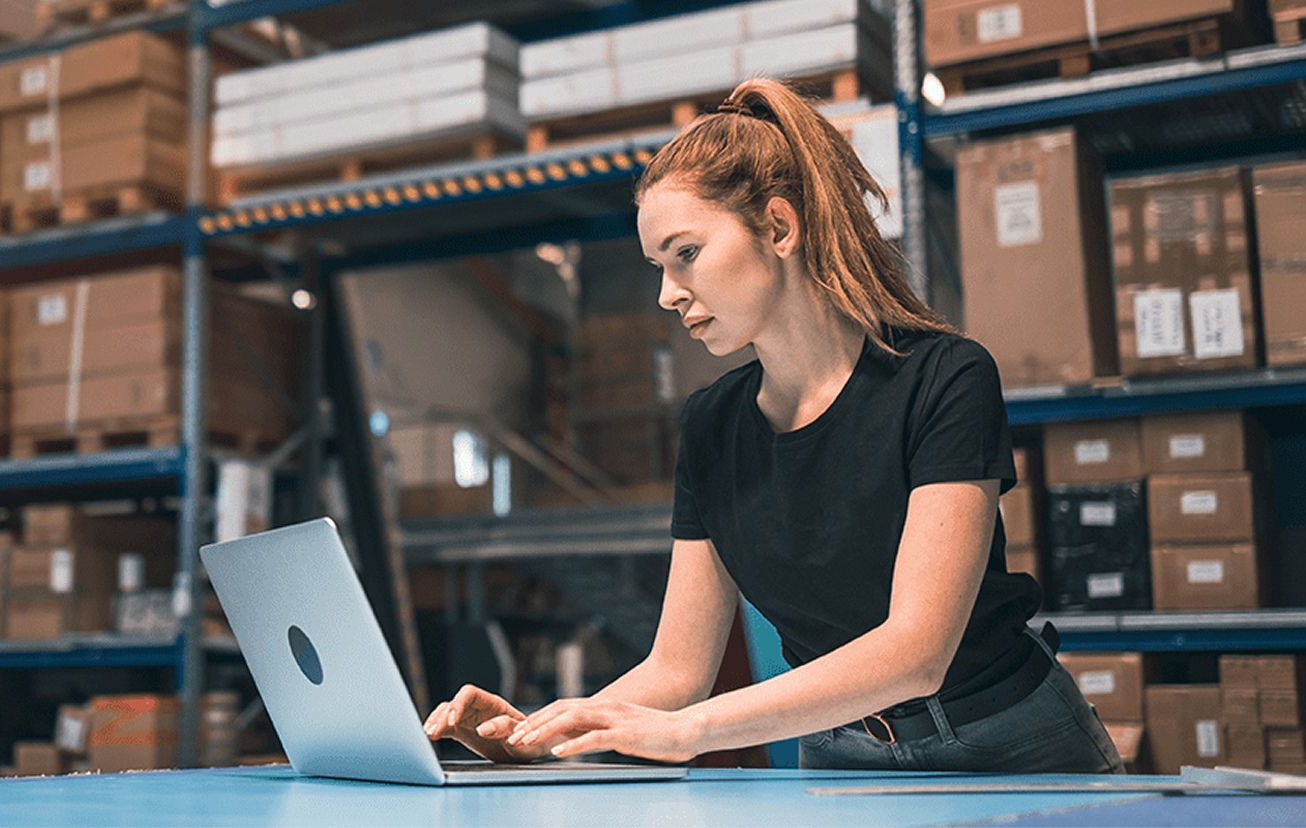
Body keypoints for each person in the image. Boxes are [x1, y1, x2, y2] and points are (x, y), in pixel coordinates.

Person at [423, 78, 1122, 773]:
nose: (667, 295)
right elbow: (677, 669)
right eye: (658, 267)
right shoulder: (711, 426)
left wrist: (691, 731)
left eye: (685, 254)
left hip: (1009, 742)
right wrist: (536, 735)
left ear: (780, 228)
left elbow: (917, 653)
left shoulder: (944, 379)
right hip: (842, 752)